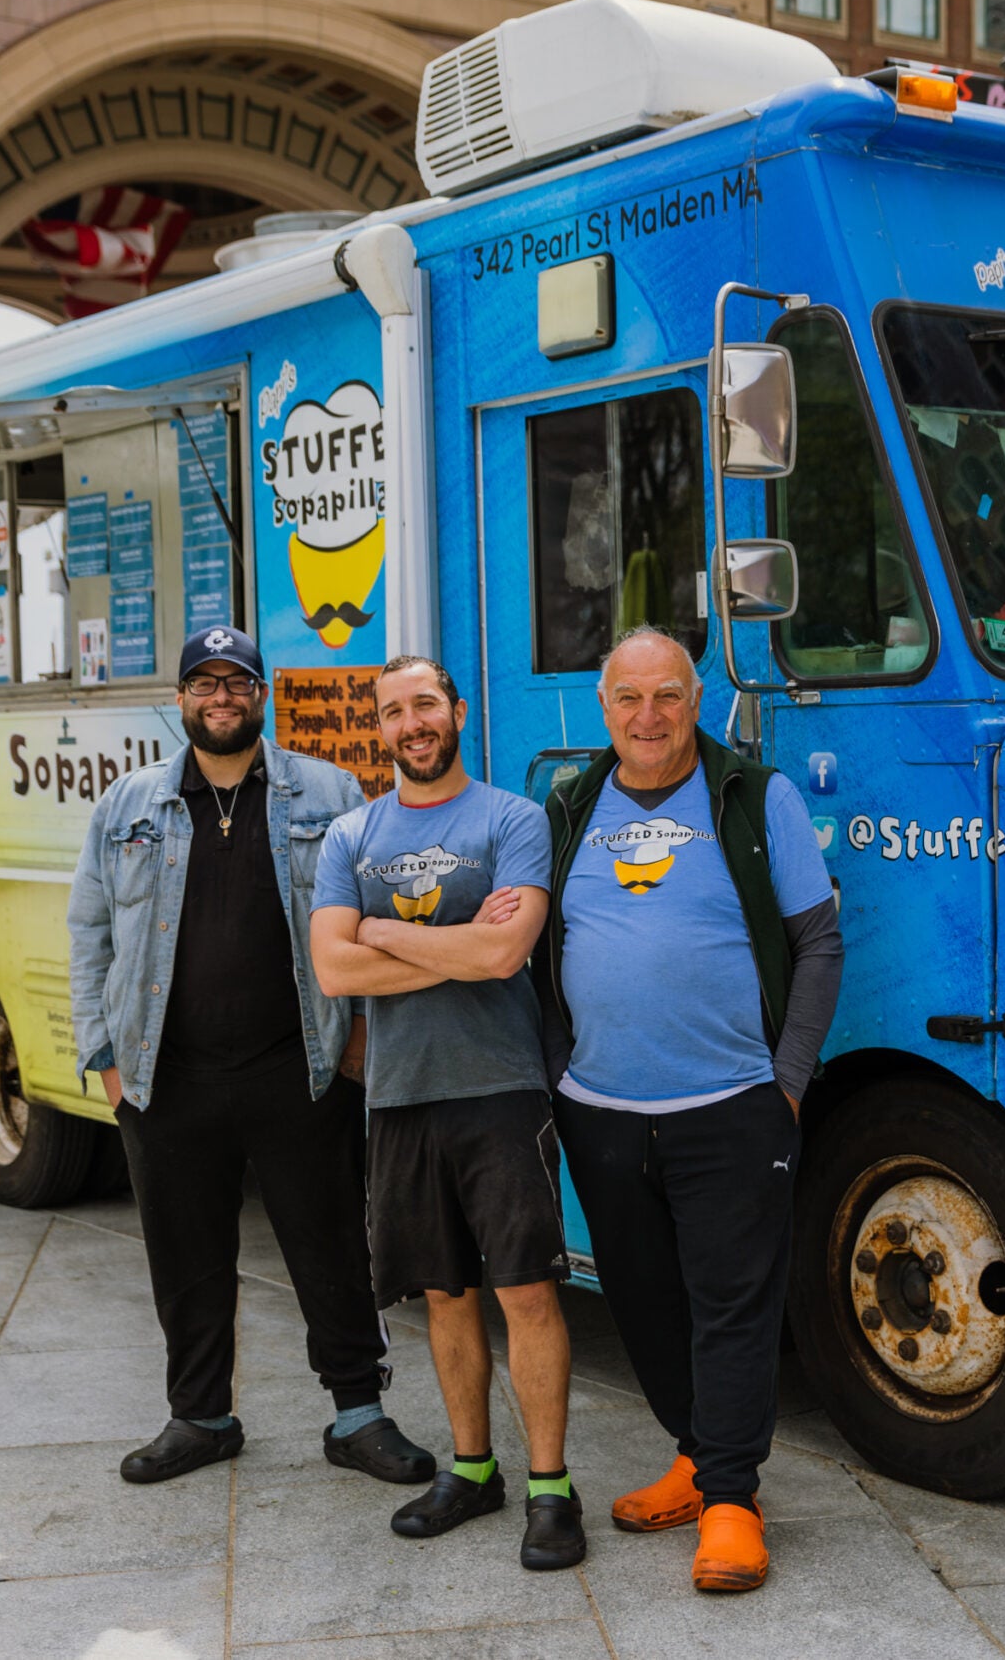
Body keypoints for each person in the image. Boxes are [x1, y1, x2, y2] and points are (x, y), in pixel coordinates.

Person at [67, 625, 434, 1489]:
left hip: (297, 1066)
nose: (222, 697)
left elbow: (369, 919)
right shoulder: (128, 805)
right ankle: (200, 1416)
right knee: (184, 1256)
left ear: (262, 695)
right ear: (183, 697)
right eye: (205, 682)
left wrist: (355, 1038)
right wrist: (108, 1058)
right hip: (167, 1075)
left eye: (238, 682)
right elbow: (88, 935)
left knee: (333, 1244)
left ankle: (358, 1415)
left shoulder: (329, 792)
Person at [535, 626, 843, 1593]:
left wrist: (786, 1081)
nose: (649, 716)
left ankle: (733, 1501)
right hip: (602, 1109)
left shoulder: (756, 797)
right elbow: (542, 942)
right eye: (629, 698)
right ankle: (693, 1457)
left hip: (732, 1105)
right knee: (642, 1300)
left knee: (732, 1305)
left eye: (667, 695)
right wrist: (559, 1072)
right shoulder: (571, 802)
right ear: (603, 707)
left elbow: (820, 943)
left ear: (696, 698)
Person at [308, 656, 585, 1570]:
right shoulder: (350, 833)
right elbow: (334, 971)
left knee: (527, 1289)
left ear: (456, 711)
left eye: (426, 703)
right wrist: (454, 946)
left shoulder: (512, 819)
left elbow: (509, 953)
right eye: (394, 711)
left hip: (502, 1089)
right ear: (380, 729)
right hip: (400, 1097)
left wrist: (383, 928)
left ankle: (551, 1486)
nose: (412, 722)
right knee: (443, 1292)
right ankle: (473, 1469)